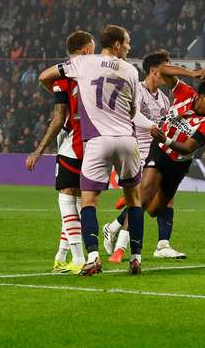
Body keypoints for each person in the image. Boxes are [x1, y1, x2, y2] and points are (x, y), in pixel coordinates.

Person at [38, 25, 150, 275]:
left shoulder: (84, 63)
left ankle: (93, 256)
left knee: (88, 201)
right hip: (126, 140)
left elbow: (45, 75)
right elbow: (133, 111)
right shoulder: (131, 70)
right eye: (128, 42)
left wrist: (64, 96)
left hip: (97, 141)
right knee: (134, 200)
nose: (130, 46)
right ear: (118, 45)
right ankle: (136, 258)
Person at [103, 52, 205, 262]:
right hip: (137, 149)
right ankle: (125, 243)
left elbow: (168, 122)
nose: (168, 73)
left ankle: (118, 227)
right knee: (143, 199)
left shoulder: (164, 99)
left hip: (158, 148)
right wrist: (154, 126)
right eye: (166, 68)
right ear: (155, 71)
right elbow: (132, 114)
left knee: (158, 200)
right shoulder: (136, 88)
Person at [25, 30, 96, 273]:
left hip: (73, 144)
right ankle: (61, 256)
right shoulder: (97, 74)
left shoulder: (64, 76)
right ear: (86, 49)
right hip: (96, 142)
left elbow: (58, 117)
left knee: (67, 198)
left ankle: (77, 259)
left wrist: (39, 149)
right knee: (77, 200)